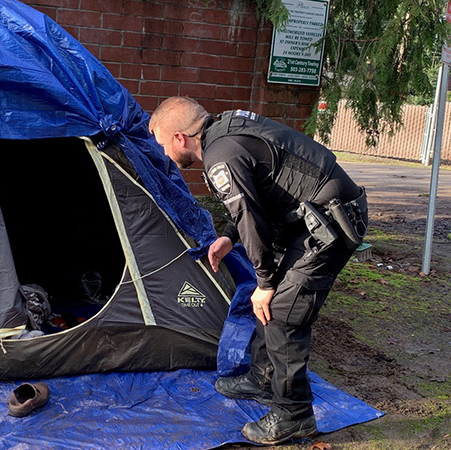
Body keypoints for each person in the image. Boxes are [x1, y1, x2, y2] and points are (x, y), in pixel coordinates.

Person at [149, 97, 367, 445]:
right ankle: (262, 378)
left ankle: (294, 415)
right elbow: (257, 198)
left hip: (329, 223)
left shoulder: (220, 154)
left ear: (179, 137)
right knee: (270, 305)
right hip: (310, 217)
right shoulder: (225, 131)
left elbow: (251, 218)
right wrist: (227, 237)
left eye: (162, 144)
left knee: (282, 313)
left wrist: (264, 282)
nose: (163, 154)